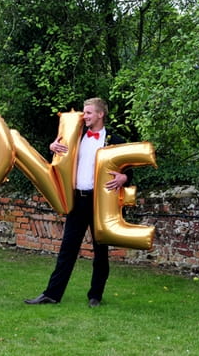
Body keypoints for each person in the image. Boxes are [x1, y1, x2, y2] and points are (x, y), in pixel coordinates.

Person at [24, 97, 131, 307]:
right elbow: (59, 161)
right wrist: (52, 146)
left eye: (89, 112)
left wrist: (124, 178)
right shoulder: (76, 136)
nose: (85, 116)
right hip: (78, 200)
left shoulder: (115, 140)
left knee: (101, 252)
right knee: (67, 250)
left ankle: (95, 296)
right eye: (84, 112)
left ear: (100, 114)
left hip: (101, 203)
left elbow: (128, 169)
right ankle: (52, 294)